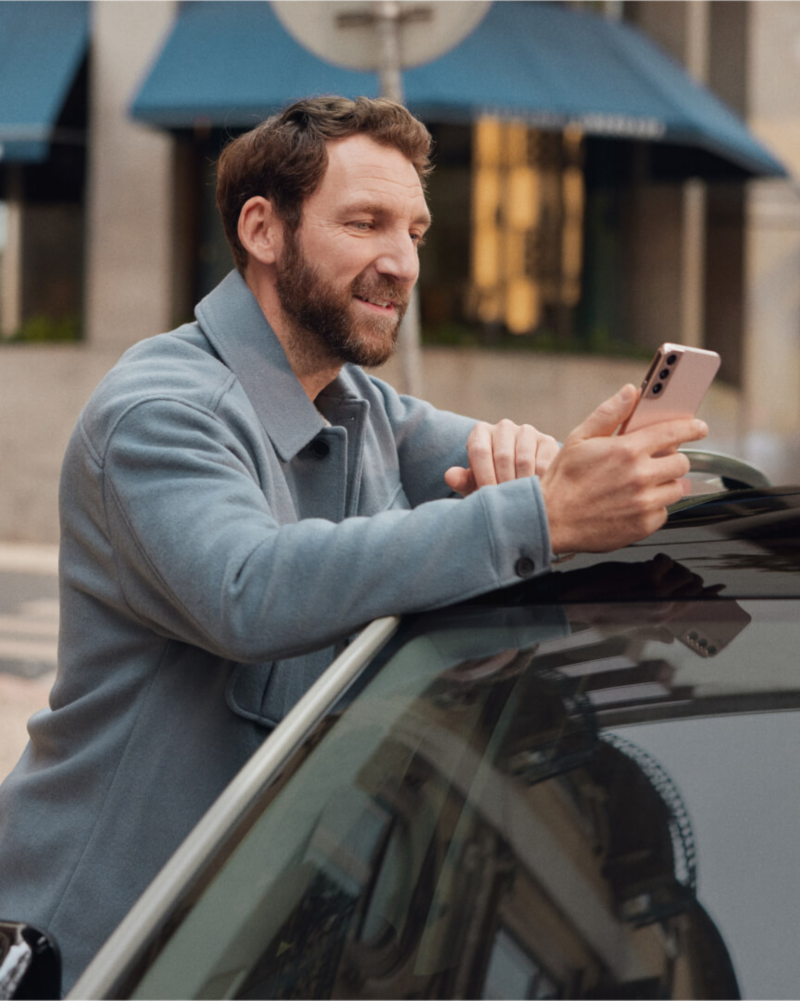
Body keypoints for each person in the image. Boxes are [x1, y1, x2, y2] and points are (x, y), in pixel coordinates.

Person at [0, 96, 707, 992]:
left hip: (242, 946)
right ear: (263, 228)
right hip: (94, 948)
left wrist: (563, 468)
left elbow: (522, 485)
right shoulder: (159, 412)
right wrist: (543, 514)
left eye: (415, 230)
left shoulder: (361, 404)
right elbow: (248, 589)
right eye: (366, 222)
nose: (401, 262)